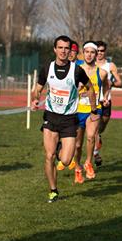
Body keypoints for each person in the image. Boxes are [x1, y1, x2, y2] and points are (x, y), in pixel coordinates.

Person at [32, 35, 96, 203]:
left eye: (66, 48)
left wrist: (94, 109)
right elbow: (37, 89)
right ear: (55, 49)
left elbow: (90, 88)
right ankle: (53, 190)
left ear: (70, 51)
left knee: (66, 161)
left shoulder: (77, 70)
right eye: (60, 47)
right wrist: (35, 99)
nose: (63, 51)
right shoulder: (47, 68)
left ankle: (60, 146)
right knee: (49, 156)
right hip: (51, 117)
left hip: (69, 120)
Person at [72, 42, 109, 184]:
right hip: (78, 110)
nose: (89, 55)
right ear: (83, 53)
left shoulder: (102, 72)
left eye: (92, 52)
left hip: (94, 109)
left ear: (96, 54)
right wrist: (78, 88)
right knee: (77, 145)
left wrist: (105, 97)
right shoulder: (76, 70)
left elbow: (106, 86)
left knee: (91, 136)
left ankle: (88, 162)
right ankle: (77, 168)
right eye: (86, 52)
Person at [94, 41, 121, 166]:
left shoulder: (110, 65)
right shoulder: (90, 64)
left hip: (106, 101)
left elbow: (120, 82)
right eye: (98, 50)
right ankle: (95, 154)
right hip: (94, 100)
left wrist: (112, 83)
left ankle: (98, 137)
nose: (99, 53)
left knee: (102, 126)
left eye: (102, 51)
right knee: (94, 129)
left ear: (105, 52)